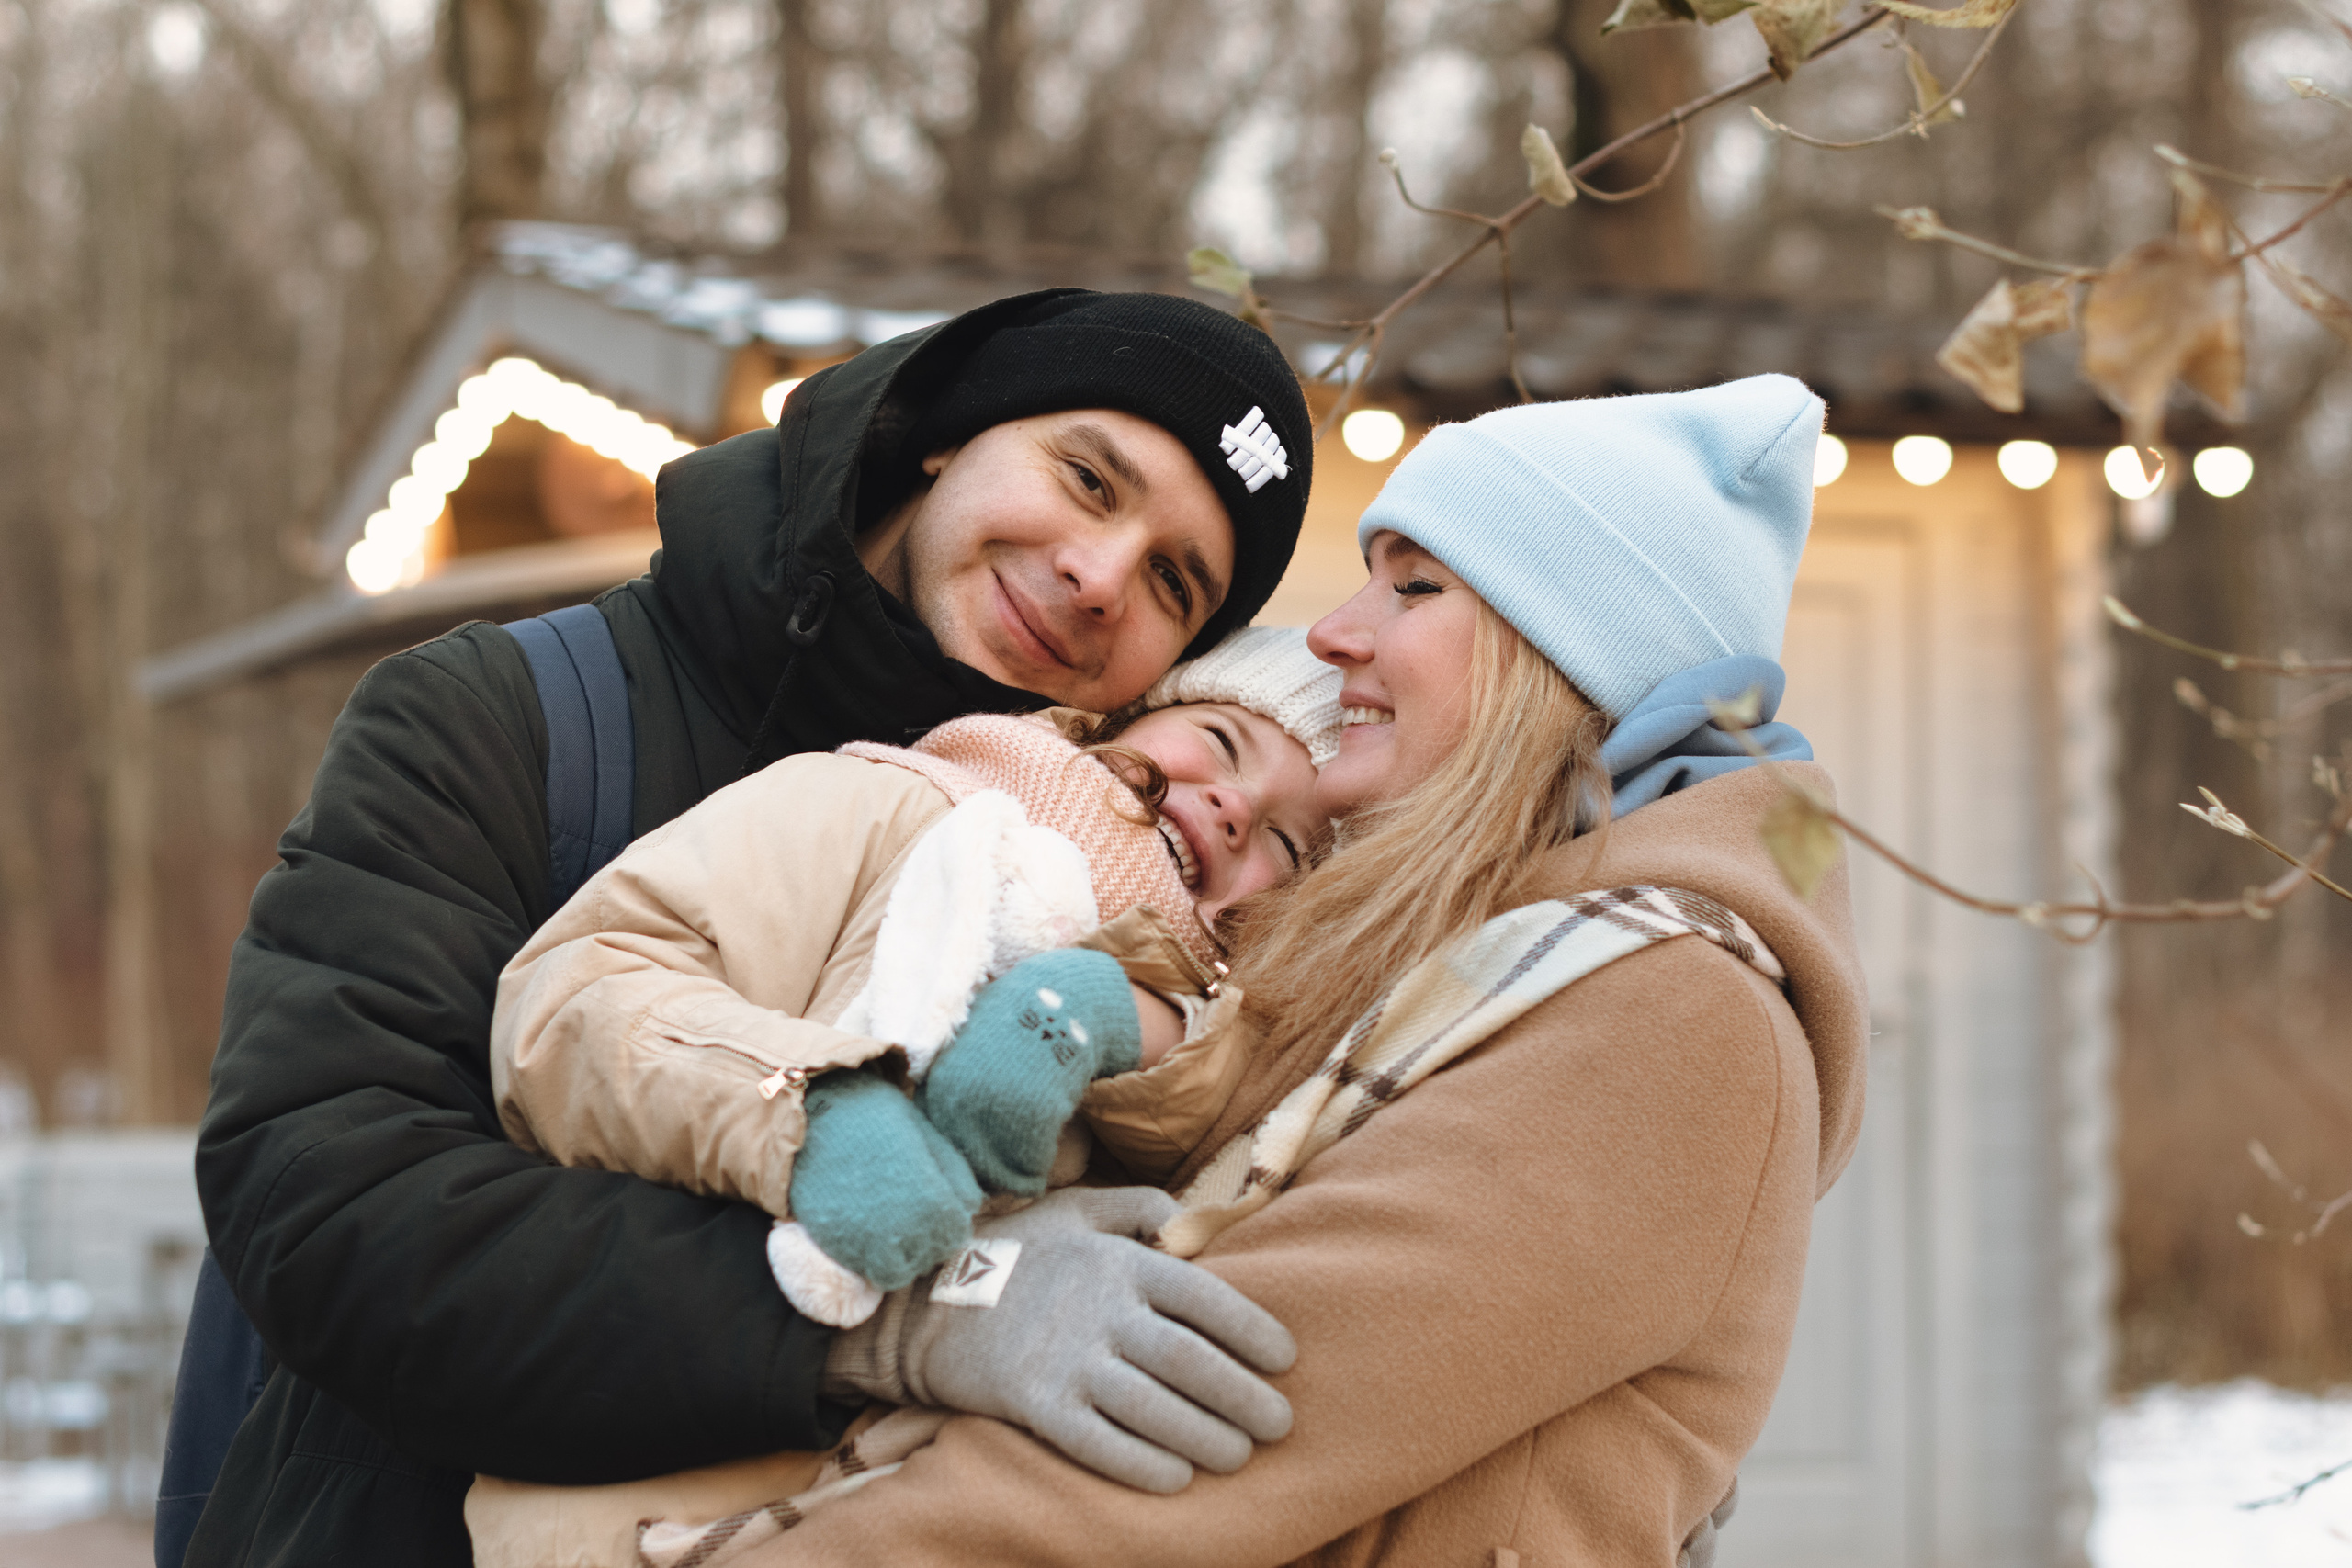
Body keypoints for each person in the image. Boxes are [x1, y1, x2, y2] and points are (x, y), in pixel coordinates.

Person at [184, 290, 1316, 1568]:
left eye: (1174, 579)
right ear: (949, 432)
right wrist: (887, 1321)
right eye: (1088, 478)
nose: (1098, 576)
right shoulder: (513, 723)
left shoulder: (1133, 924)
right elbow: (332, 1204)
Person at [727, 373, 1871, 1567]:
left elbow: (1170, 1450)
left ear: (1566, 659)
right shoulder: (1468, 955)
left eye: (1416, 586)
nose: (1336, 632)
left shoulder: (1665, 1017)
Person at [464, 630, 1340, 1568]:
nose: (1231, 806)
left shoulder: (1212, 1043)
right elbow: (577, 996)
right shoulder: (881, 802)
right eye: (1219, 739)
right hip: (634, 1436)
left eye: (1288, 840)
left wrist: (1121, 1013)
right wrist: (812, 1109)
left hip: (911, 1510)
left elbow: (1210, 1135)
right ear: (1122, 717)